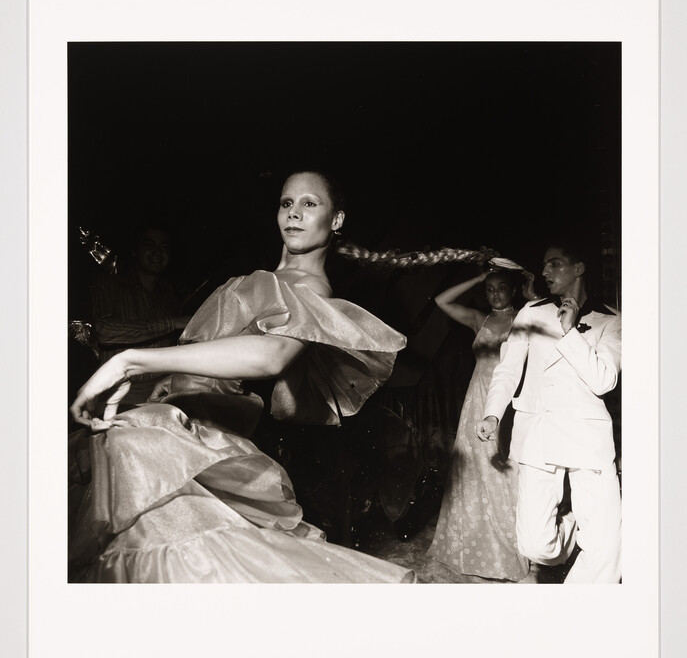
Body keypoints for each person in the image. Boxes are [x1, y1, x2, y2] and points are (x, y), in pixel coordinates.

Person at [69, 171, 414, 584]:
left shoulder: (309, 287)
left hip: (209, 441)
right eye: (287, 203)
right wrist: (173, 378)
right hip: (184, 424)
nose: (294, 213)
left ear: (336, 220)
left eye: (309, 203)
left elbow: (273, 357)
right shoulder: (265, 281)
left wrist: (131, 361)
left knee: (171, 546)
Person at [476, 242, 622, 583]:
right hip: (539, 434)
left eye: (554, 264)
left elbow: (603, 380)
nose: (544, 272)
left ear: (578, 268)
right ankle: (576, 524)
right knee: (536, 546)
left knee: (607, 550)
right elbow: (508, 368)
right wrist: (493, 413)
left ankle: (577, 609)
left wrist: (571, 331)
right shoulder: (532, 311)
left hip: (588, 439)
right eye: (544, 265)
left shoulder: (610, 319)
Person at [427, 267, 531, 581]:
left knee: (505, 474)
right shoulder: (480, 319)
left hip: (508, 403)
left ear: (514, 290)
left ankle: (510, 554)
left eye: (502, 287)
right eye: (489, 288)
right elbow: (442, 301)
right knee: (475, 473)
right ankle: (473, 551)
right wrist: (478, 277)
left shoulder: (525, 318)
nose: (495, 294)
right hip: (477, 400)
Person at [89, 224, 191, 406]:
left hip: (162, 391)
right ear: (134, 251)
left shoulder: (170, 293)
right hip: (119, 393)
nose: (157, 252)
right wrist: (173, 323)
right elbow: (104, 331)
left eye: (164, 247)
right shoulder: (109, 284)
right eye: (149, 245)